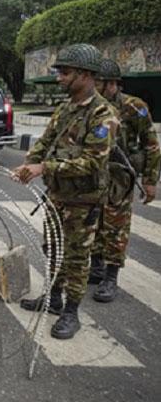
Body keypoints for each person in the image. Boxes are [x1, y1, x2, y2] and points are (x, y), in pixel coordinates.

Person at [12, 43, 118, 340]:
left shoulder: (103, 115)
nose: (59, 77)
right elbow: (46, 142)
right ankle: (53, 298)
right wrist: (29, 164)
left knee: (76, 256)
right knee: (53, 249)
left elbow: (92, 162)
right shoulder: (65, 109)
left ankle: (71, 312)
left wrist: (44, 168)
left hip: (83, 200)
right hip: (57, 196)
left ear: (85, 75)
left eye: (65, 72)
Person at [88, 58, 161, 302]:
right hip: (94, 174)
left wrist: (150, 180)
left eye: (98, 81)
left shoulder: (134, 107)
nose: (93, 85)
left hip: (120, 175)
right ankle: (96, 268)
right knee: (94, 221)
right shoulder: (92, 106)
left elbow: (151, 145)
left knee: (116, 225)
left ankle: (111, 276)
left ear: (112, 84)